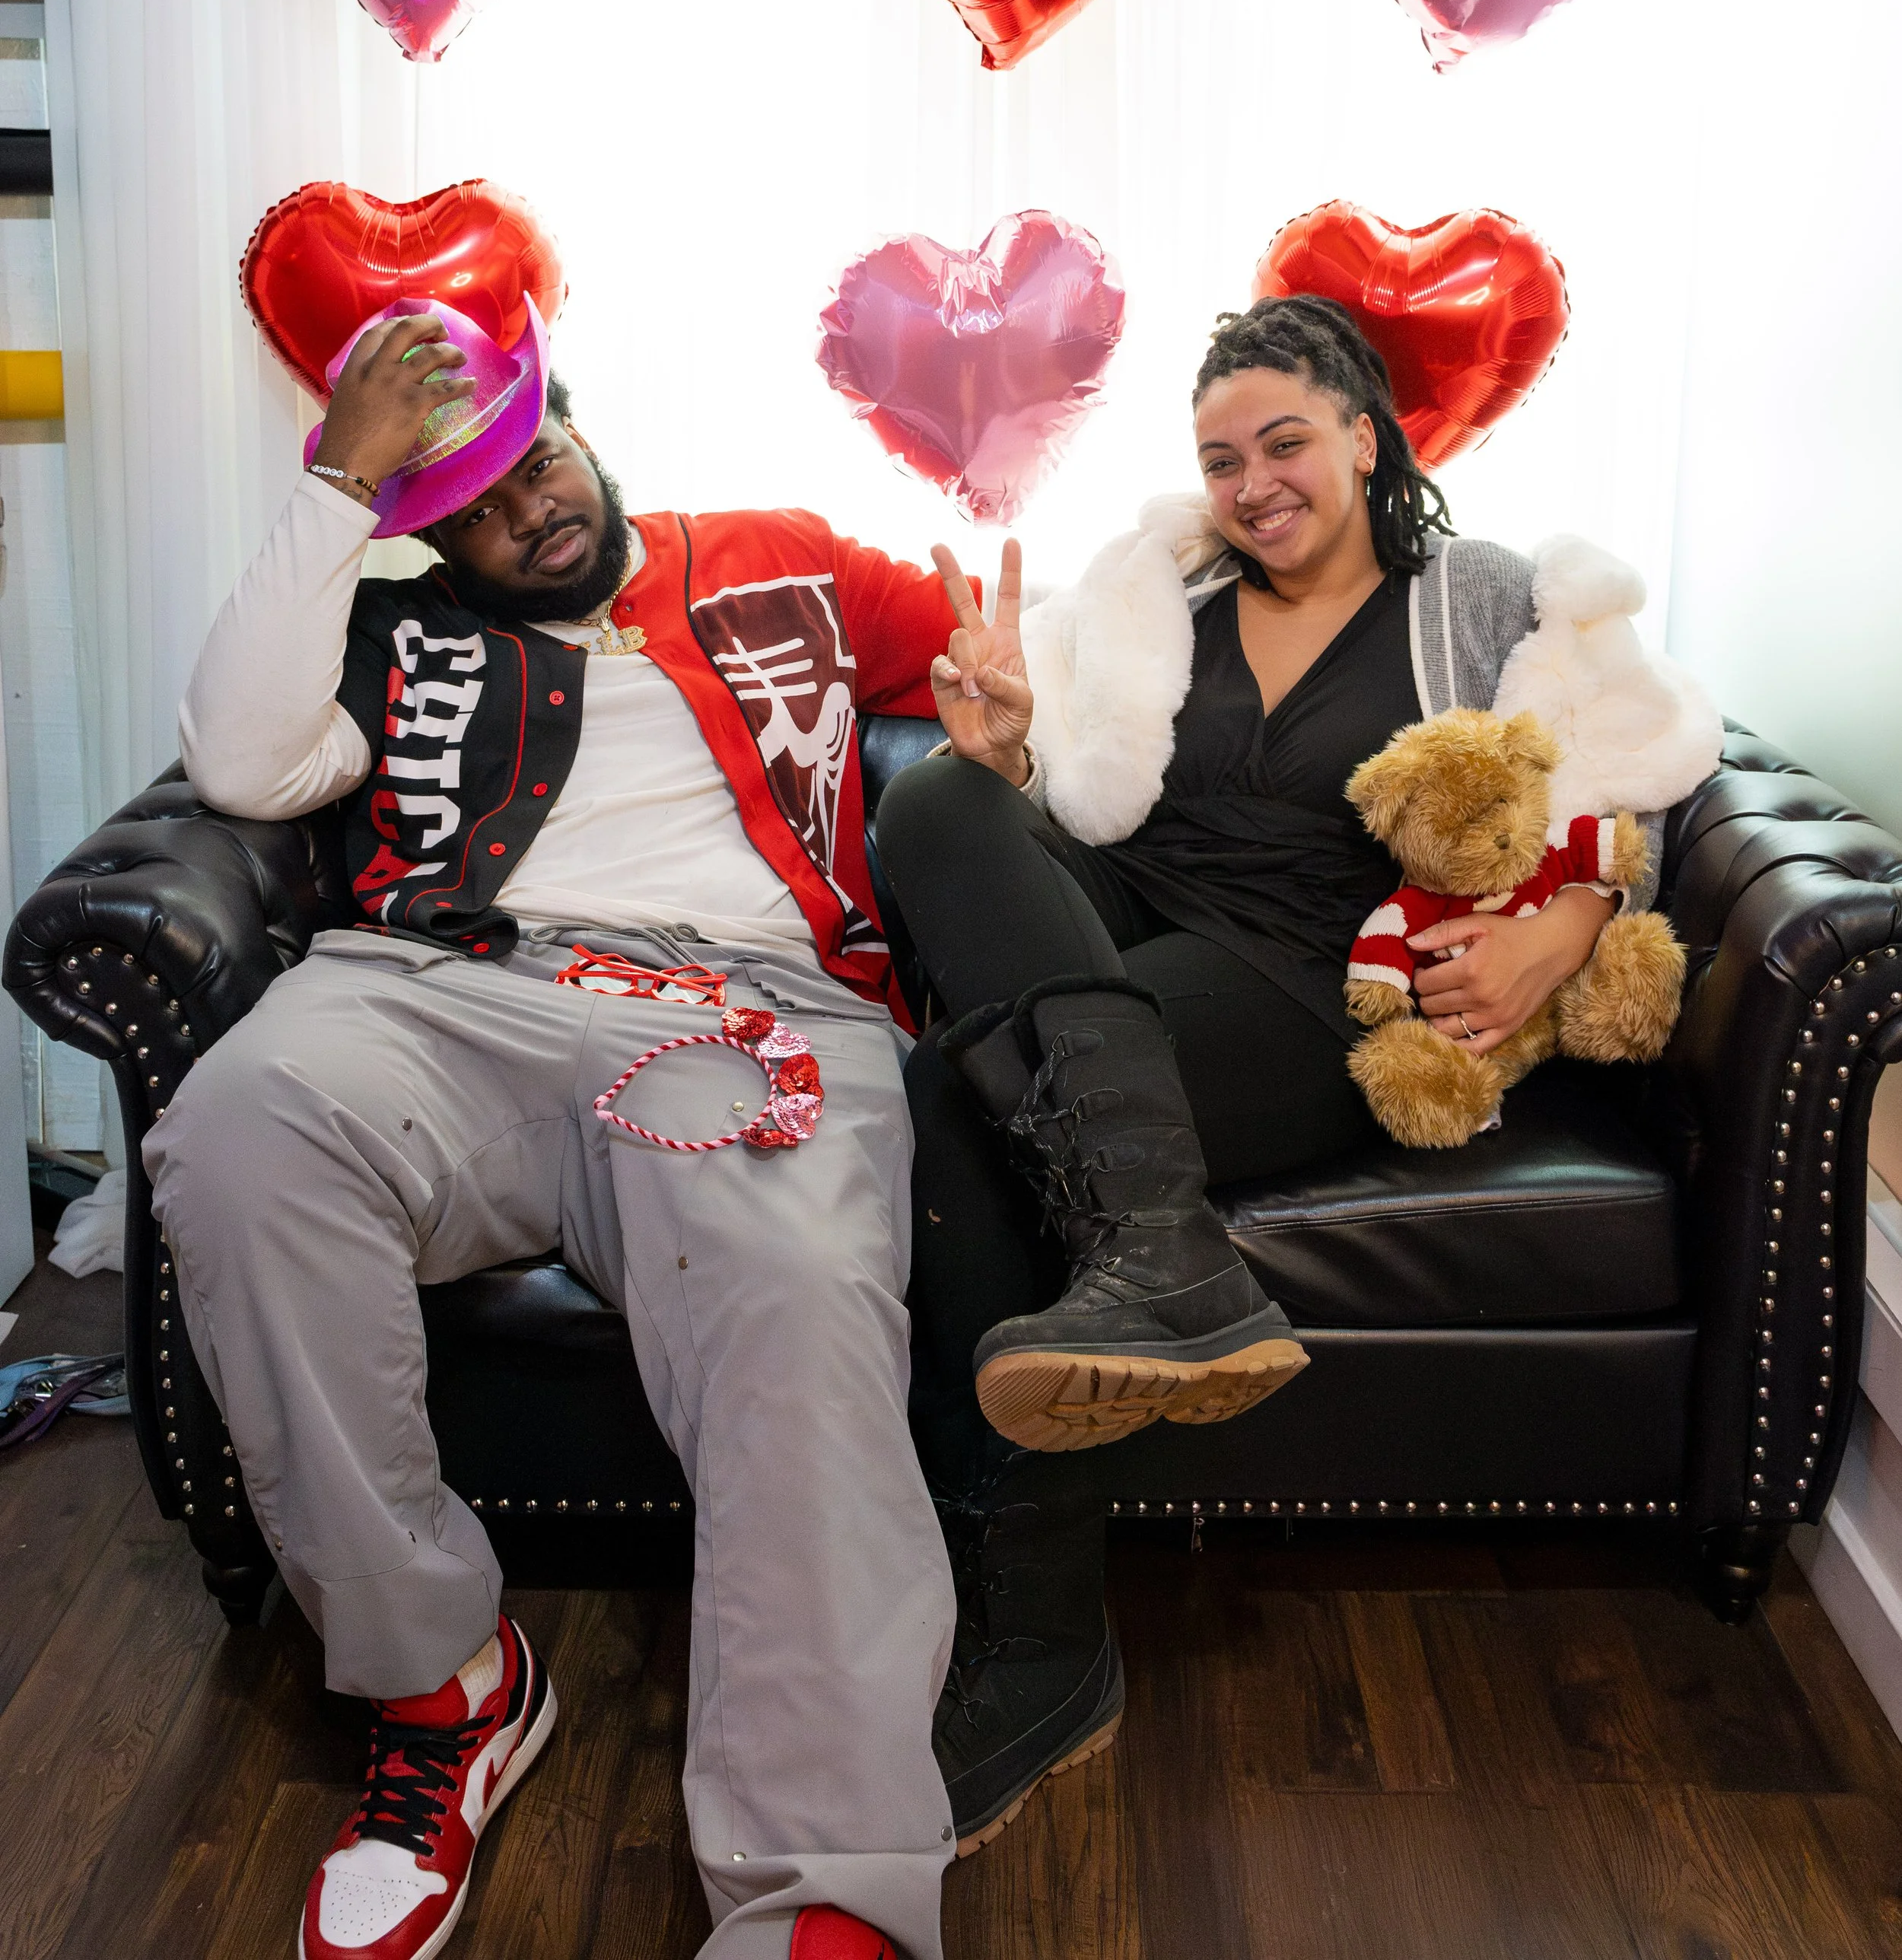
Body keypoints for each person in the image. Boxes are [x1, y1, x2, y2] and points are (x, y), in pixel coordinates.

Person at [144, 307, 968, 1960]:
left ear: (579, 423)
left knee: (796, 1286)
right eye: (470, 510)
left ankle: (825, 1887)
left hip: (736, 1006)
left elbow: (1018, 651)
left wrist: (1023, 727)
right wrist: (336, 483)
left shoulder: (774, 554)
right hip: (436, 990)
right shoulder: (389, 635)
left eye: (536, 465)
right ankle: (443, 1690)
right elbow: (240, 760)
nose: (528, 515)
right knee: (234, 1127)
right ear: (420, 531)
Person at [873, 294, 1717, 1855]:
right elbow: (1071, 827)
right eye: (1217, 457)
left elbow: (1630, 772)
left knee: (947, 1108)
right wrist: (994, 748)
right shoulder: (1165, 603)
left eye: (1281, 441)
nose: (1251, 481)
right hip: (1126, 927)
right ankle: (1156, 1246)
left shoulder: (1479, 601)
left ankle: (1039, 1637)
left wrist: (1572, 919)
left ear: (1362, 434)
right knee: (929, 810)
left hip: (1315, 978)